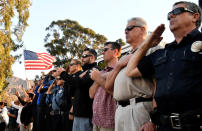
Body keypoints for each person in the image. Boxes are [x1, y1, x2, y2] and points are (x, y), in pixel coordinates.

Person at [126, 1, 202, 131]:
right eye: (169, 14)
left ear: (195, 17)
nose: (171, 15)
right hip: (164, 126)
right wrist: (148, 42)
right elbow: (130, 70)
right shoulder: (162, 53)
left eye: (177, 11)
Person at [105, 17, 159, 131]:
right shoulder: (124, 57)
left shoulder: (153, 49)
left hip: (139, 109)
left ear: (142, 29)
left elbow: (158, 84)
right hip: (120, 110)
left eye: (130, 28)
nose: (126, 31)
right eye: (125, 29)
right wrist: (119, 65)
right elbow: (108, 86)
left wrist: (153, 119)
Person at [57, 48, 99, 131]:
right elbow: (72, 93)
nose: (82, 59)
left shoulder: (94, 70)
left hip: (86, 115)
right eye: (81, 56)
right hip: (77, 114)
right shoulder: (83, 72)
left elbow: (79, 83)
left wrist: (63, 74)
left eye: (84, 56)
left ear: (92, 57)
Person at [89, 41, 121, 131]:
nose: (102, 52)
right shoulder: (101, 72)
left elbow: (117, 94)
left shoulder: (120, 70)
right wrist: (98, 77)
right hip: (96, 121)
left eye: (105, 50)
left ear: (115, 52)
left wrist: (98, 78)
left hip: (109, 123)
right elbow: (91, 94)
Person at [60, 59, 83, 131]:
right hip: (66, 109)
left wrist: (71, 110)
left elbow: (77, 95)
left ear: (77, 66)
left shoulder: (80, 76)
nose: (69, 66)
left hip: (73, 109)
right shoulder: (70, 77)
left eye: (71, 64)